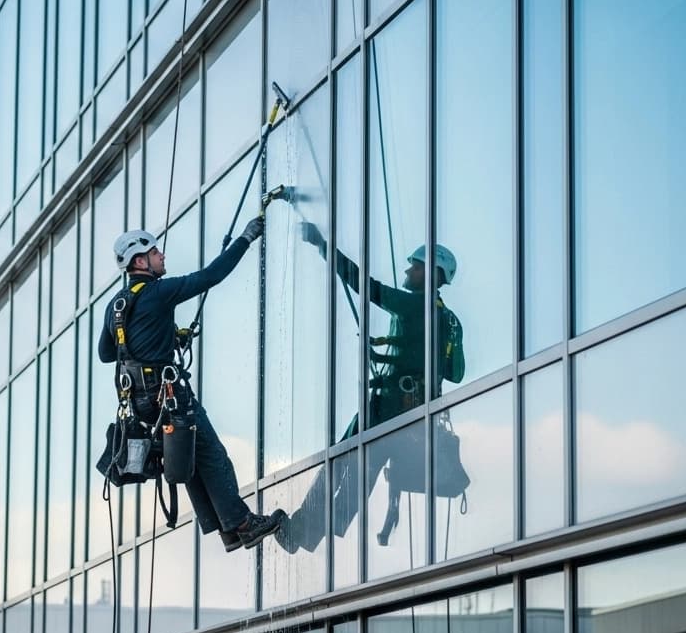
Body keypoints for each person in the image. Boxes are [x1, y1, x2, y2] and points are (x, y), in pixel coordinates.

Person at [275, 222, 465, 553]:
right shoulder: (449, 320)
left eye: (416, 266)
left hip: (389, 406)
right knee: (363, 473)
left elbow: (368, 287)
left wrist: (323, 246)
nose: (408, 269)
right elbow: (456, 373)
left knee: (340, 464)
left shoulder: (412, 306)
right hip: (417, 417)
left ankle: (302, 533)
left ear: (432, 275)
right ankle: (310, 534)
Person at [98, 218, 286, 552]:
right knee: (213, 456)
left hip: (142, 403)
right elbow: (212, 275)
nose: (162, 256)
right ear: (140, 262)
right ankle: (242, 523)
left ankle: (227, 529)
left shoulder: (117, 305)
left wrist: (167, 337)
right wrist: (245, 238)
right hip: (170, 397)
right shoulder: (159, 292)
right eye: (155, 252)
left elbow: (107, 353)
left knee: (191, 460)